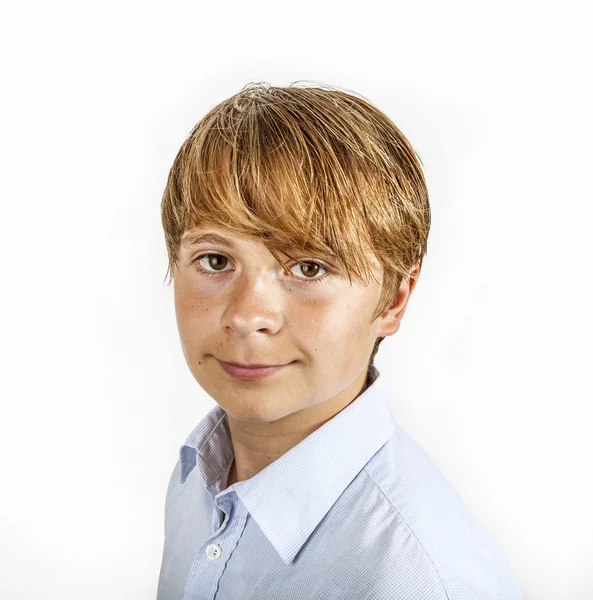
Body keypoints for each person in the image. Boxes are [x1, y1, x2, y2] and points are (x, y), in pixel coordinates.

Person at [156, 82, 525, 600]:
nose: (246, 317)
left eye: (308, 267)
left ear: (394, 300)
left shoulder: (421, 578)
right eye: (216, 260)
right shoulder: (195, 479)